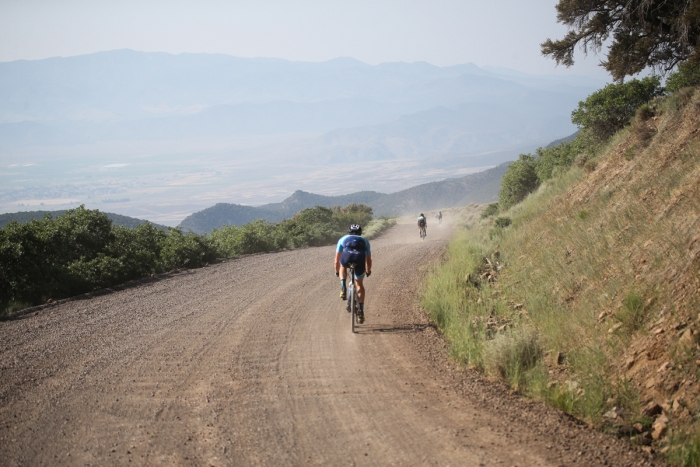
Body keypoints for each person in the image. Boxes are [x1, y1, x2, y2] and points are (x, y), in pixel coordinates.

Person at [335, 224, 372, 324]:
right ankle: (361, 311)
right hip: (359, 259)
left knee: (342, 265)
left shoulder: (343, 239)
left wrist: (337, 271)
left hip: (347, 258)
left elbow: (337, 260)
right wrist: (368, 271)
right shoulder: (364, 240)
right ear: (360, 232)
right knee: (359, 284)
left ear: (348, 232)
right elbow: (368, 260)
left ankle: (343, 287)